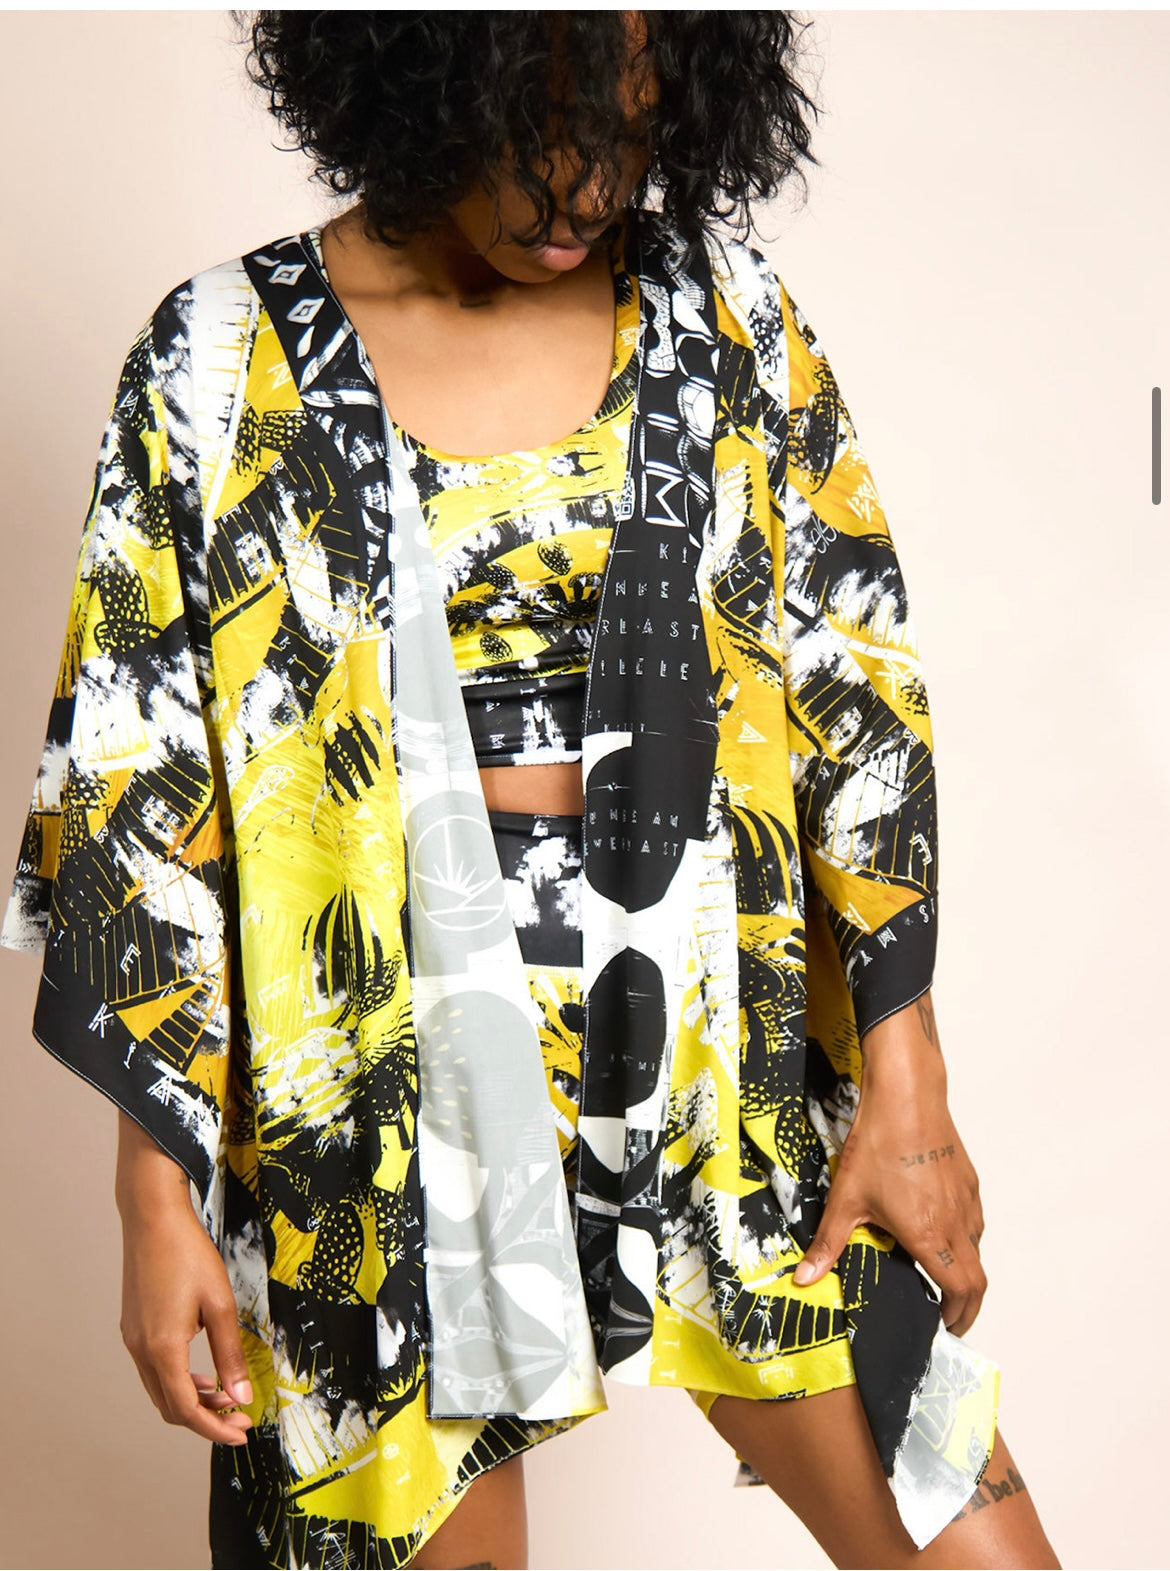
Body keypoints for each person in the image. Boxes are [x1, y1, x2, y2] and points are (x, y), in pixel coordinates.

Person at [1, 12, 1061, 1571]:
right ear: (419, 74)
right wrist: (152, 1206)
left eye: (627, 133)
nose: (581, 191)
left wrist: (910, 1091)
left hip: (722, 1081)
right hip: (373, 1119)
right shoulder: (218, 356)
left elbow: (856, 701)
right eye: (534, 130)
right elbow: (141, 794)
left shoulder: (724, 321)